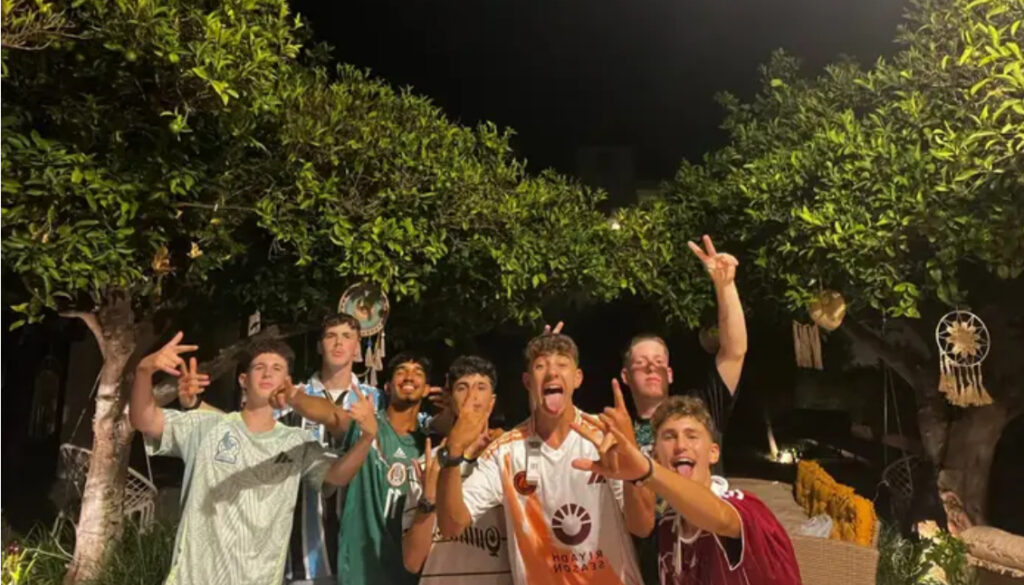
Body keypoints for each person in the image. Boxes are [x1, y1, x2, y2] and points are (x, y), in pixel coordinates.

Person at [130, 334, 379, 585]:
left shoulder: (296, 442)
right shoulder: (206, 427)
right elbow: (145, 420)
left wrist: (367, 438)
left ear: (287, 381)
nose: (268, 373)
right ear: (243, 380)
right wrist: (144, 371)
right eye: (259, 367)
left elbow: (338, 475)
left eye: (277, 368)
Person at [436, 332, 647, 585]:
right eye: (540, 366)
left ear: (577, 378)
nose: (552, 373)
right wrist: (453, 453)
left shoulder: (605, 438)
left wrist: (632, 467)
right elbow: (451, 526)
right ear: (528, 381)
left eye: (562, 364)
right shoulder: (505, 452)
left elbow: (642, 526)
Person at [571, 396, 801, 585]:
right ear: (656, 456)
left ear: (713, 453)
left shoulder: (746, 506)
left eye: (692, 436)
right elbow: (640, 526)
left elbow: (721, 518)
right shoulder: (668, 528)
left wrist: (647, 471)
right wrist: (633, 476)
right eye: (669, 437)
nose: (681, 445)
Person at [271, 351, 433, 585]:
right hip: (360, 573)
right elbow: (331, 413)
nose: (409, 376)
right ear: (387, 388)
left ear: (427, 389)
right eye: (401, 371)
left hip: (409, 576)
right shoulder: (366, 426)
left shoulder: (429, 444)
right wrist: (295, 397)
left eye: (417, 372)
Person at [622, 235, 747, 453]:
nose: (651, 367)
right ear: (625, 376)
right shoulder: (620, 432)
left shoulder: (698, 411)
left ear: (669, 374)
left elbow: (734, 352)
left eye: (659, 361)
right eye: (641, 362)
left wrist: (725, 286)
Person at [402, 355, 512, 584]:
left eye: (481, 387)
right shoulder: (426, 464)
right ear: (450, 399)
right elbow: (413, 562)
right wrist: (428, 501)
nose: (472, 396)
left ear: (492, 401)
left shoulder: (510, 458)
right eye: (462, 388)